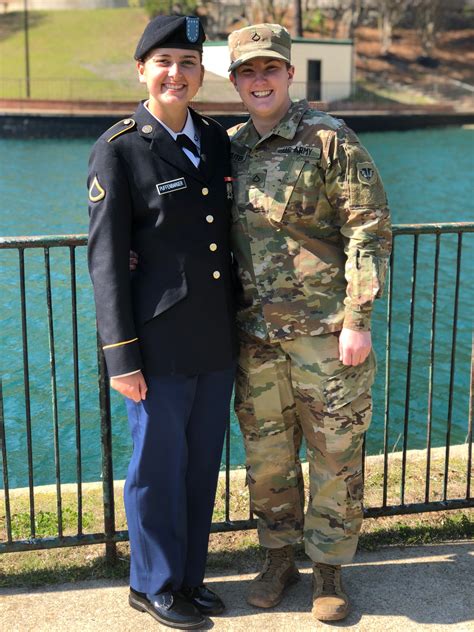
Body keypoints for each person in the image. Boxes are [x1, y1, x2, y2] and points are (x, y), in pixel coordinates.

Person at [227, 23, 392, 621]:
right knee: (267, 459)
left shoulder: (329, 139)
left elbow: (368, 229)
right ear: (235, 81)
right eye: (248, 71)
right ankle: (278, 559)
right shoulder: (230, 146)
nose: (260, 80)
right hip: (256, 338)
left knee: (334, 456)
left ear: (290, 73)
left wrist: (358, 318)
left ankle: (329, 570)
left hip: (326, 336)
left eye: (270, 68)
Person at [87, 15, 237, 630]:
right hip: (157, 343)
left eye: (188, 63)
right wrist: (121, 356)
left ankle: (189, 577)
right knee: (156, 469)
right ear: (142, 71)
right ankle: (150, 583)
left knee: (200, 467)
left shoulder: (217, 138)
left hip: (216, 336)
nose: (177, 73)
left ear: (201, 74)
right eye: (164, 62)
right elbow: (106, 261)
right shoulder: (119, 148)